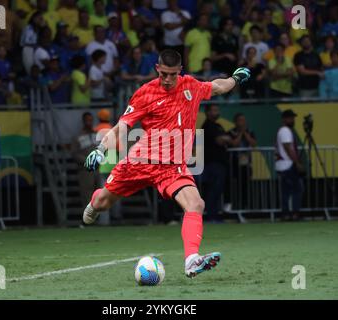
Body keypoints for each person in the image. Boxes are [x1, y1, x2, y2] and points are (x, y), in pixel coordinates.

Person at [82, 49, 251, 277]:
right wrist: (101, 149)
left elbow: (217, 86)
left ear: (179, 71)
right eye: (164, 74)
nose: (168, 79)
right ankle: (94, 204)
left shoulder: (191, 85)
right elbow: (123, 127)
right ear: (157, 70)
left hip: (172, 167)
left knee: (196, 204)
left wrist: (235, 78)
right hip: (141, 161)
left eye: (173, 74)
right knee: (102, 203)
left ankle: (191, 260)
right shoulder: (145, 93)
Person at [201, 104, 230, 223]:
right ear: (207, 112)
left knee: (217, 190)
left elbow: (228, 139)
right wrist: (225, 139)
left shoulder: (217, 126)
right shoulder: (208, 126)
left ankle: (214, 214)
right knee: (213, 190)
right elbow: (220, 140)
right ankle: (210, 215)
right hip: (212, 164)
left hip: (219, 163)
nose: (217, 112)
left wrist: (226, 139)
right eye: (214, 110)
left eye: (217, 110)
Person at [275, 109, 304, 221]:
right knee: (297, 189)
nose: (293, 120)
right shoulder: (285, 130)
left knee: (286, 191)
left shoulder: (282, 130)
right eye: (290, 118)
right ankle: (294, 213)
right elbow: (288, 147)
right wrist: (297, 162)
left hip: (282, 164)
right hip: (287, 164)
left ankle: (286, 214)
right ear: (284, 119)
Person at [71, 112, 102, 213]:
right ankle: (89, 218)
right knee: (87, 194)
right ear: (83, 121)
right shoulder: (78, 137)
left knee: (100, 194)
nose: (89, 122)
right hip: (85, 170)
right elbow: (74, 153)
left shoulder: (97, 135)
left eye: (91, 120)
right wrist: (87, 161)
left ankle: (101, 219)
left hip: (99, 169)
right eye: (87, 120)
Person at [227, 113, 257, 210]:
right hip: (234, 164)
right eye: (240, 120)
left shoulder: (250, 132)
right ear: (235, 122)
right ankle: (234, 207)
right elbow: (234, 144)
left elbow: (253, 144)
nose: (242, 123)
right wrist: (240, 133)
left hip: (246, 164)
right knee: (235, 186)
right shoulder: (231, 132)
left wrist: (245, 133)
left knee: (246, 186)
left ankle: (245, 207)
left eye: (244, 120)